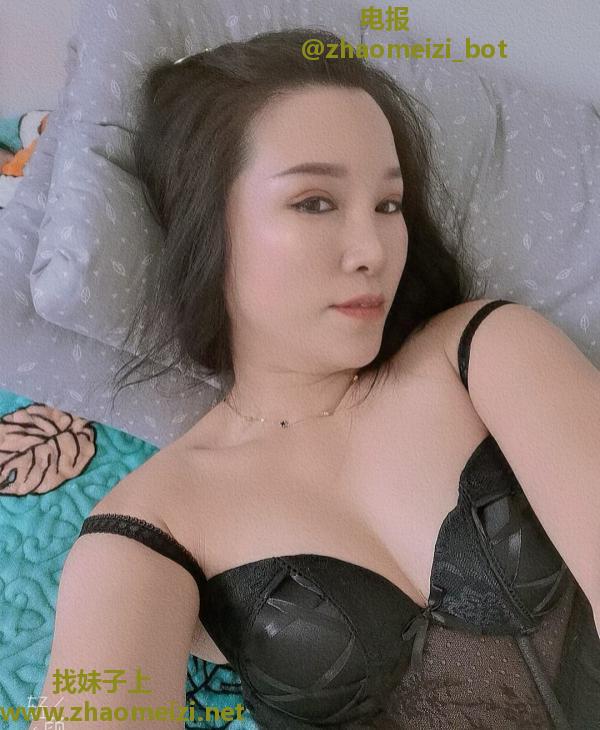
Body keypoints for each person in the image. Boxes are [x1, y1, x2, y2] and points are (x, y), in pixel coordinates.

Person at [31, 28, 598, 730]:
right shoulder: (149, 525)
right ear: (208, 222)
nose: (372, 250)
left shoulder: (488, 349)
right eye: (315, 202)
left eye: (388, 205)